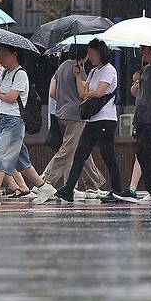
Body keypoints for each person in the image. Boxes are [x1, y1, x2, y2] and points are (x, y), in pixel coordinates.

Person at [0, 45, 56, 206]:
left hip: (14, 121)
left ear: (15, 55)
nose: (2, 58)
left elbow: (11, 97)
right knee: (22, 162)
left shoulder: (20, 74)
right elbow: (0, 94)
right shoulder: (6, 73)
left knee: (0, 155)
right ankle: (44, 187)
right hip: (5, 120)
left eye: (4, 55)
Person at [55, 39, 123, 203]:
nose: (90, 57)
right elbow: (82, 92)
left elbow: (99, 92)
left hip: (106, 119)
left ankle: (118, 190)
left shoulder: (109, 70)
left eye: (93, 54)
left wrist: (88, 91)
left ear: (101, 53)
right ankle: (69, 189)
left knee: (108, 155)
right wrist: (78, 75)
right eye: (89, 54)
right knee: (80, 154)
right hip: (93, 120)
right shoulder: (93, 71)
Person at [43, 44, 107, 199]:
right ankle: (44, 181)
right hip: (75, 116)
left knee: (81, 149)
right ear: (85, 54)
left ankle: (92, 184)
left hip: (61, 114)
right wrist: (79, 79)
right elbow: (83, 93)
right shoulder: (78, 69)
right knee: (67, 151)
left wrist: (64, 98)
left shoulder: (62, 67)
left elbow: (52, 92)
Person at [114, 46, 151, 203]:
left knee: (145, 151)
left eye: (144, 49)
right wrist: (136, 81)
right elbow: (135, 93)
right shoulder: (146, 69)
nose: (142, 52)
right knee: (142, 153)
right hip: (143, 119)